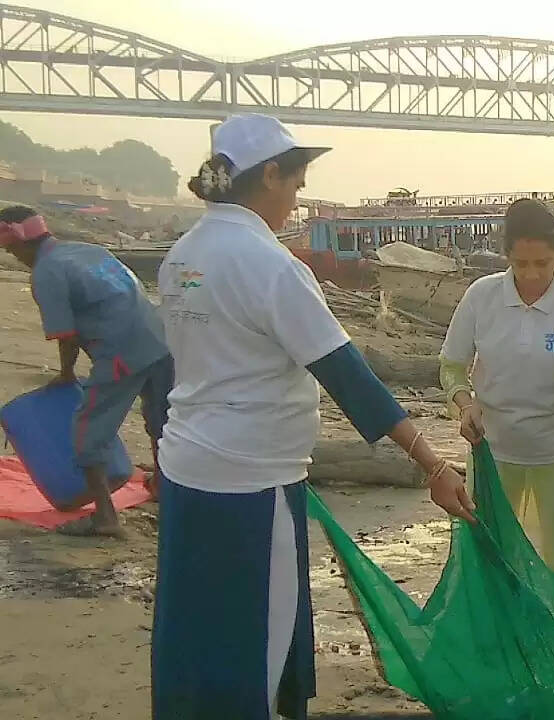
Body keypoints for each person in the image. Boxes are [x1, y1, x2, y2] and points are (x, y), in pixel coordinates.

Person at [150, 113, 474, 720]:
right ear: (269, 175)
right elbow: (347, 376)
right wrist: (432, 464)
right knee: (259, 640)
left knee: (193, 627)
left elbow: (182, 364)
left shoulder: (182, 255)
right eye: (296, 184)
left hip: (187, 468)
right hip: (254, 481)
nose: (297, 199)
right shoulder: (270, 265)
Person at [440, 198, 554, 574]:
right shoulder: (482, 296)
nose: (530, 274)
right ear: (506, 255)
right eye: (520, 264)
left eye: (542, 264)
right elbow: (451, 367)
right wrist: (465, 405)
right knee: (491, 559)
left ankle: (552, 632)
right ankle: (496, 634)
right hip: (493, 457)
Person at [0, 205, 173, 536]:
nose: (13, 256)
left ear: (21, 245)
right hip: (160, 338)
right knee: (160, 419)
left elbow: (65, 335)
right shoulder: (88, 250)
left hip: (121, 351)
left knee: (87, 430)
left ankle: (105, 517)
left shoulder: (46, 272)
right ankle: (164, 487)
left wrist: (66, 374)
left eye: (10, 249)